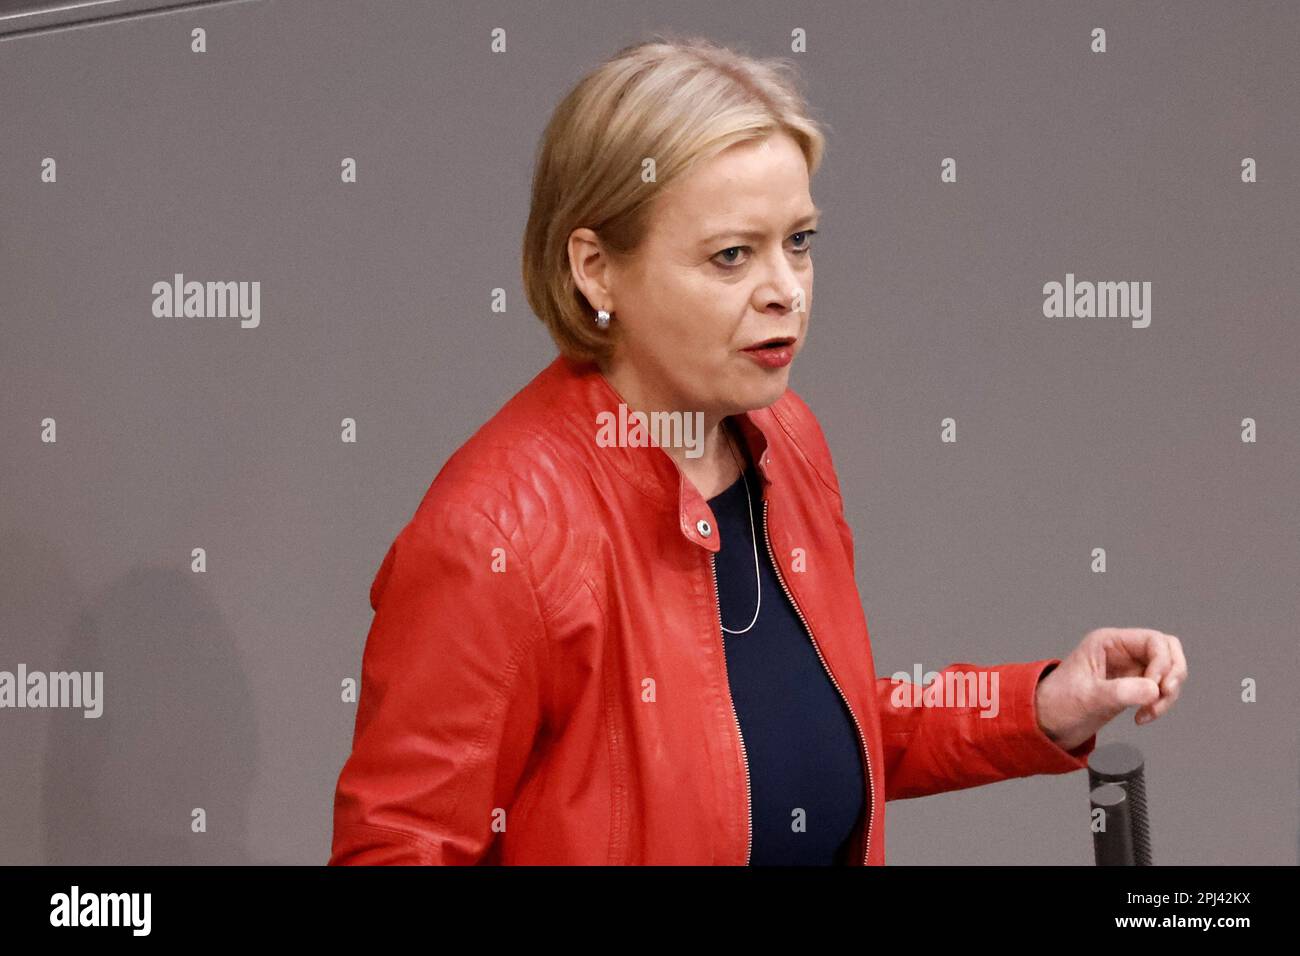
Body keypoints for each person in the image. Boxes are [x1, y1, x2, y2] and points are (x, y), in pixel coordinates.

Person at [328, 34, 1186, 865]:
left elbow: (803, 739)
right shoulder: (497, 536)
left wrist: (1038, 705)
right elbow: (397, 849)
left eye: (799, 243)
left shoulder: (786, 441)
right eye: (732, 256)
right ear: (595, 269)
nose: (785, 292)